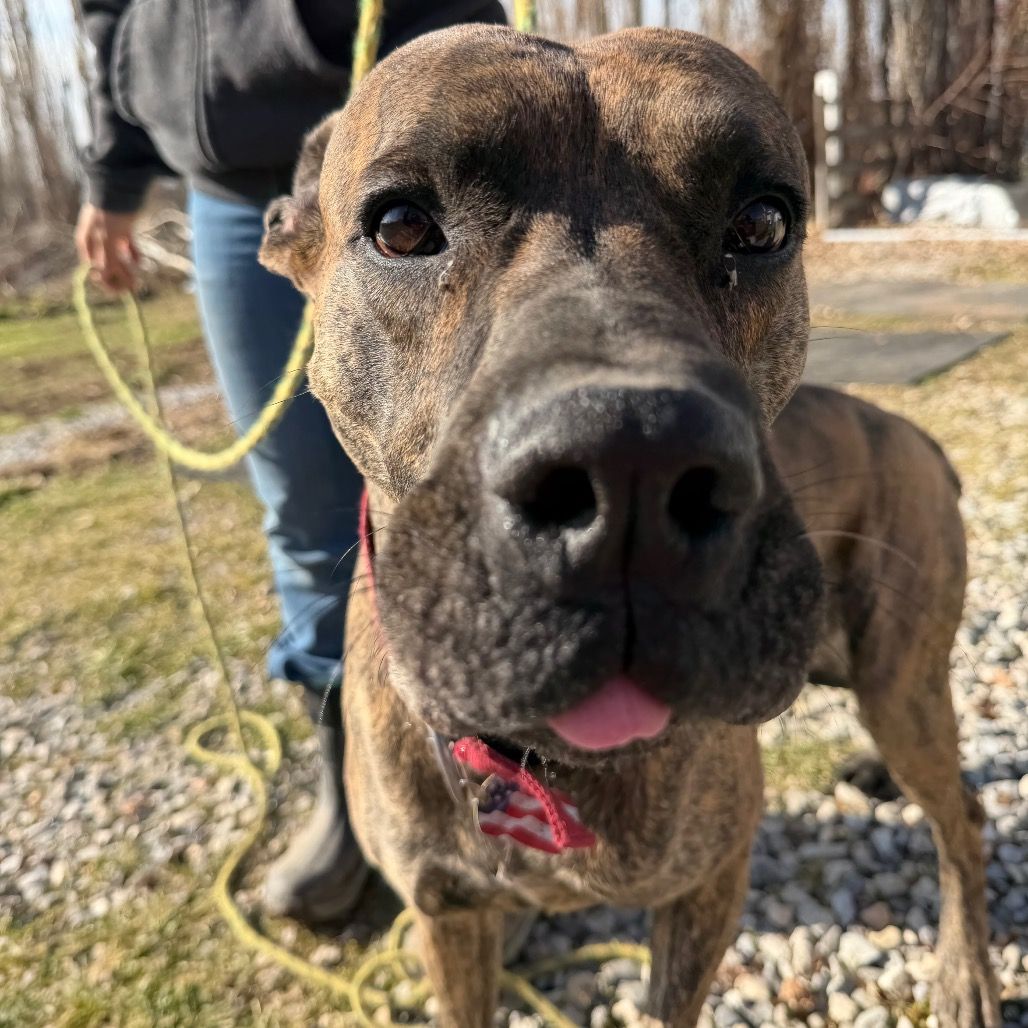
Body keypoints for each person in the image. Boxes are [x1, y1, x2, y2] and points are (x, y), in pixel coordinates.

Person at [76, 0, 506, 924]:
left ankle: (504, 810)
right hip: (231, 185)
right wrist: (114, 169)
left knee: (478, 495)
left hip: (430, 140)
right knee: (306, 518)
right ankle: (354, 793)